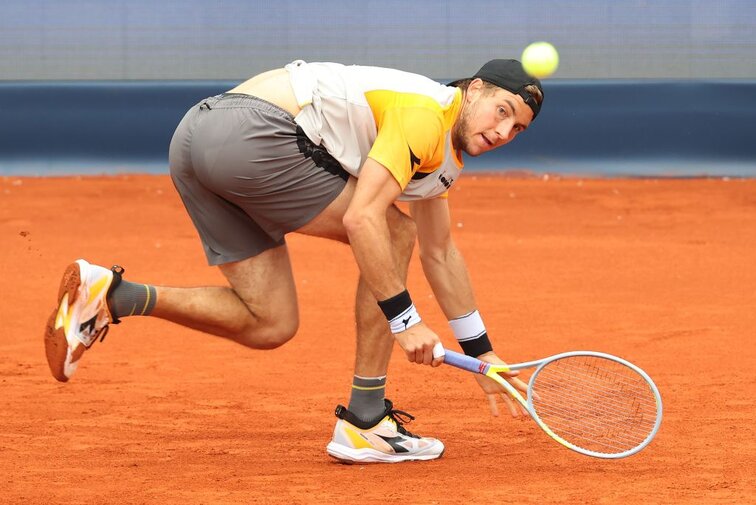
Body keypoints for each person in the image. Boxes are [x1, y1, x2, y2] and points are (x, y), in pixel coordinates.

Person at [44, 58, 544, 464]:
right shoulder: (425, 114)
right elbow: (365, 220)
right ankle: (365, 420)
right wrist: (405, 322)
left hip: (196, 141)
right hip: (247, 132)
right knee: (391, 230)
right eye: (501, 111)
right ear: (474, 90)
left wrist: (483, 354)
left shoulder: (443, 154)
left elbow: (441, 252)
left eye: (517, 128)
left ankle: (112, 295)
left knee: (269, 322)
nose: (503, 132)